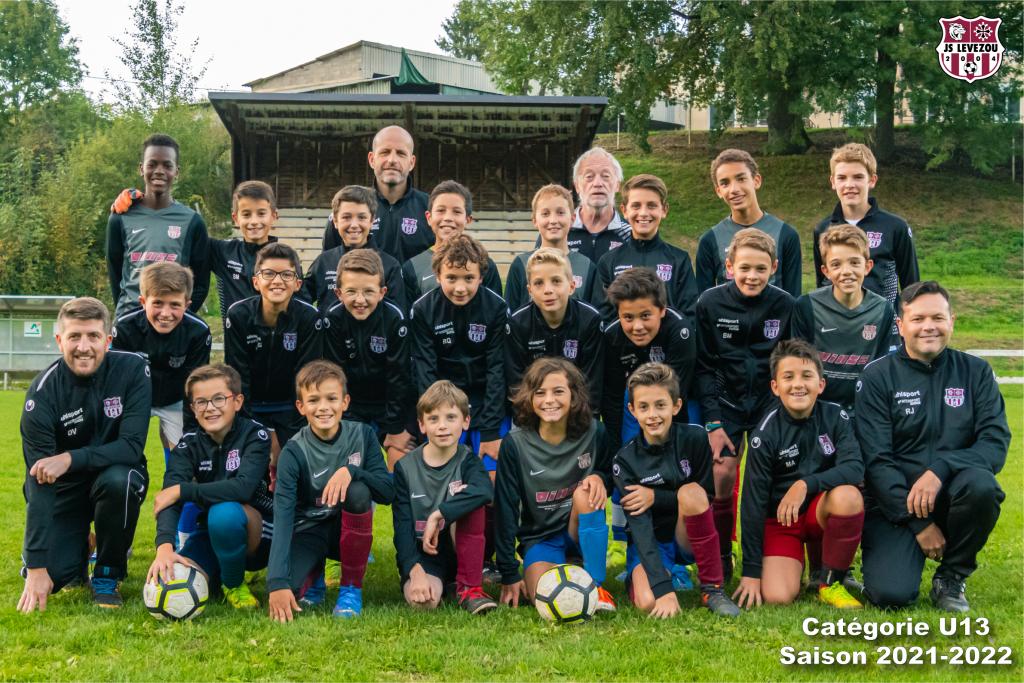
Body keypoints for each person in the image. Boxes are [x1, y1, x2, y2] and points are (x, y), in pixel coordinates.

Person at [855, 281, 1010, 612]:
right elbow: (877, 461)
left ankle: (952, 576)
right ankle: (896, 557)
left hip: (953, 492)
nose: (929, 327)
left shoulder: (976, 372)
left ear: (952, 320)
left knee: (982, 486)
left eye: (938, 318)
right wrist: (919, 525)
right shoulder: (877, 377)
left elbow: (994, 444)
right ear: (900, 326)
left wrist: (941, 468)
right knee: (890, 596)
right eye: (918, 318)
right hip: (894, 504)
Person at [18, 297, 150, 612]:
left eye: (93, 336)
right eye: (74, 336)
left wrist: (69, 458)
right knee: (58, 576)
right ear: (59, 340)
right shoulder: (41, 396)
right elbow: (38, 482)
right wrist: (37, 565)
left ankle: (107, 574)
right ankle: (77, 547)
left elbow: (131, 445)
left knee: (121, 480)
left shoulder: (133, 369)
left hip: (116, 477)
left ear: (108, 339)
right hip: (66, 490)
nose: (84, 346)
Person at [734, 340, 865, 610]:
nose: (798, 384)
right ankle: (797, 562)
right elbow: (752, 504)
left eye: (807, 376)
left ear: (821, 384)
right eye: (788, 377)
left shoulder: (836, 416)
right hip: (782, 523)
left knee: (849, 497)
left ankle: (828, 582)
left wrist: (806, 484)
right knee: (778, 595)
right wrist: (751, 571)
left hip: (819, 513)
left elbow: (854, 468)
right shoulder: (765, 434)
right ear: (775, 387)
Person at [695, 227, 795, 582]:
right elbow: (703, 366)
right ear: (729, 266)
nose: (752, 276)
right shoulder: (709, 302)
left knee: (768, 477)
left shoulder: (785, 304)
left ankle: (767, 551)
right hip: (726, 403)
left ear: (774, 267)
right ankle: (722, 554)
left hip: (769, 402)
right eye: (745, 268)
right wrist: (713, 422)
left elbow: (790, 361)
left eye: (761, 269)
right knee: (722, 473)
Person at [266, 361, 394, 621]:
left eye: (331, 398)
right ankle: (315, 576)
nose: (323, 407)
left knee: (359, 492)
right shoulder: (293, 451)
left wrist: (353, 471)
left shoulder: (363, 435)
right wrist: (276, 582)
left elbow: (387, 492)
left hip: (345, 530)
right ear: (301, 407)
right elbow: (283, 516)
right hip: (308, 530)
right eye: (313, 400)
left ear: (345, 402)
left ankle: (350, 588)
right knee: (290, 591)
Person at [613, 362, 740, 618]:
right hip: (652, 541)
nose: (653, 415)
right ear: (632, 411)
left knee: (692, 492)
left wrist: (656, 497)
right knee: (649, 602)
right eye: (644, 407)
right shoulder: (624, 461)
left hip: (688, 535)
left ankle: (713, 589)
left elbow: (706, 498)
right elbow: (640, 529)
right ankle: (642, 578)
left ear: (676, 406)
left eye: (661, 405)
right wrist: (663, 591)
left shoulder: (694, 439)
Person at [494, 358, 617, 613]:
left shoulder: (595, 432)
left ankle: (596, 584)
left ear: (574, 396)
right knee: (543, 595)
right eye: (540, 393)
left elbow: (609, 475)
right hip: (541, 538)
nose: (549, 400)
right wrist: (508, 572)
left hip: (577, 529)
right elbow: (506, 510)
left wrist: (600, 478)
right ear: (529, 398)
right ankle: (563, 567)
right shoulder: (515, 445)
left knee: (587, 490)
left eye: (558, 391)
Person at [147, 364, 273, 610]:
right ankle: (217, 575)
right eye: (201, 402)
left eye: (219, 399)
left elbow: (243, 489)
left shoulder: (255, 435)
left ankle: (233, 584)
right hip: (212, 533)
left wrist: (185, 491)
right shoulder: (188, 445)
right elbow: (167, 498)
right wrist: (164, 548)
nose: (210, 408)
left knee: (224, 513)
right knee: (173, 576)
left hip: (259, 532)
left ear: (237, 402)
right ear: (193, 409)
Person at [393, 381, 496, 614]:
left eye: (451, 417)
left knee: (472, 501)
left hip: (461, 547)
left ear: (466, 422)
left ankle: (469, 587)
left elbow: (484, 491)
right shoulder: (405, 468)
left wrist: (439, 513)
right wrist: (413, 569)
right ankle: (448, 584)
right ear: (421, 424)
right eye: (433, 419)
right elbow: (402, 526)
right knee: (424, 603)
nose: (442, 426)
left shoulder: (468, 460)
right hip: (426, 552)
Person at [411, 235, 508, 477]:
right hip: (446, 407)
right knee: (449, 480)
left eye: (469, 278)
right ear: (438, 276)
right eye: (451, 278)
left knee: (492, 483)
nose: (460, 287)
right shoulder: (423, 310)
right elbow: (425, 373)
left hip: (487, 407)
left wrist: (491, 430)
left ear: (481, 278)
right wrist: (439, 419)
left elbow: (498, 370)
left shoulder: (496, 308)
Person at [224, 242, 323, 459]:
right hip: (249, 407)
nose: (277, 281)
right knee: (249, 472)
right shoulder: (238, 315)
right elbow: (238, 375)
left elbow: (306, 377)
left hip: (292, 408)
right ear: (255, 282)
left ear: (298, 284)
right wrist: (258, 427)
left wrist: (284, 431)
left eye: (286, 275)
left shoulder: (309, 318)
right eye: (268, 273)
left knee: (292, 469)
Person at [324, 249, 415, 471]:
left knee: (401, 467)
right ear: (338, 293)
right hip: (352, 407)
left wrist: (395, 427)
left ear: (382, 292)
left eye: (369, 291)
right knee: (352, 473)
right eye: (351, 291)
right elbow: (336, 377)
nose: (360, 300)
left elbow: (399, 377)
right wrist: (350, 424)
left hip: (389, 407)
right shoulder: (332, 319)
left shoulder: (395, 319)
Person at [792, 224, 898, 414]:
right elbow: (799, 363)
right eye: (836, 264)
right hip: (819, 409)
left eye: (854, 263)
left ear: (868, 266)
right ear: (825, 271)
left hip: (864, 408)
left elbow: (881, 366)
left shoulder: (883, 310)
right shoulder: (806, 306)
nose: (846, 271)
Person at [111, 262, 211, 464]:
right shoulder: (124, 327)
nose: (165, 313)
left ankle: (175, 488)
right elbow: (114, 380)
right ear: (143, 301)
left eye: (175, 305)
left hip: (176, 399)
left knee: (186, 460)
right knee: (118, 452)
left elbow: (196, 384)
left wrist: (193, 428)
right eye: (157, 303)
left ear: (187, 305)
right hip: (134, 398)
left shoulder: (198, 332)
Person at [106, 133, 210, 318]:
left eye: (167, 165)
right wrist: (127, 314)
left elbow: (200, 282)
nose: (159, 171)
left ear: (176, 172)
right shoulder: (120, 217)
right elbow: (115, 273)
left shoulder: (192, 222)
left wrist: (178, 314)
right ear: (141, 168)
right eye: (152, 164)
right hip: (130, 319)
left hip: (172, 322)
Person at [813, 143, 919, 306]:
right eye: (842, 178)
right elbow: (822, 284)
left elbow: (911, 287)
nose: (849, 185)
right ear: (833, 182)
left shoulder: (895, 227)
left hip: (885, 325)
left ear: (872, 180)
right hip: (839, 325)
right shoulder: (823, 229)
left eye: (858, 177)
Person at [505, 248, 604, 408]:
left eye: (556, 281)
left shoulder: (590, 320)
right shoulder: (518, 323)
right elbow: (517, 383)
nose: (548, 290)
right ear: (530, 290)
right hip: (533, 410)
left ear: (572, 286)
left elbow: (592, 383)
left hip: (578, 410)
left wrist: (582, 420)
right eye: (539, 283)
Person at [696, 149, 801, 297]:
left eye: (741, 179)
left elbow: (793, 300)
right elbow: (703, 303)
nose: (734, 189)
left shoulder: (786, 234)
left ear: (756, 180)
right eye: (725, 183)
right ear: (718, 191)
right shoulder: (709, 240)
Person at [321, 125, 432, 263]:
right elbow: (328, 267)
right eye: (385, 152)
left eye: (401, 153)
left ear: (412, 162)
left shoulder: (430, 209)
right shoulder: (348, 210)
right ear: (372, 159)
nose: (392, 160)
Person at [596, 174, 699, 322]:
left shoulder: (679, 259)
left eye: (652, 205)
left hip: (669, 343)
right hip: (623, 344)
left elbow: (689, 314)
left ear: (664, 210)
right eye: (636, 206)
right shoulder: (608, 261)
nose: (643, 213)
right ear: (624, 210)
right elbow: (604, 317)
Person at [303, 185, 407, 312]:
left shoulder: (390, 266)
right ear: (335, 221)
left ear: (372, 220)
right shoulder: (323, 262)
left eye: (362, 217)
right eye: (346, 217)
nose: (354, 225)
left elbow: (397, 314)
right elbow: (302, 304)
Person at [400, 180, 501, 302]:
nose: (448, 218)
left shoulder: (484, 264)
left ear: (468, 220)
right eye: (441, 210)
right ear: (428, 217)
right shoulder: (412, 267)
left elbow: (495, 311)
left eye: (457, 212)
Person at [504, 184, 601, 311]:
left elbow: (593, 316)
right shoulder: (521, 264)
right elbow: (510, 315)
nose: (553, 220)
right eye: (545, 214)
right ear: (534, 221)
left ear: (572, 219)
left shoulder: (587, 266)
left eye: (560, 213)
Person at [210, 180, 280, 321]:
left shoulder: (285, 258)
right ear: (235, 218)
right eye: (246, 214)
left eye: (261, 214)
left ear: (273, 216)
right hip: (235, 340)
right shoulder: (223, 251)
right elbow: (193, 235)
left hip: (274, 340)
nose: (254, 221)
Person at [547, 147, 631, 262]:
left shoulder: (630, 235)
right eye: (589, 177)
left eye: (606, 176)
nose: (597, 183)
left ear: (617, 185)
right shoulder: (556, 230)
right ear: (577, 186)